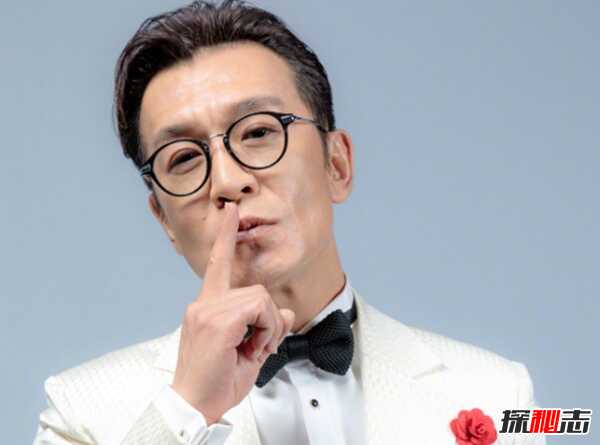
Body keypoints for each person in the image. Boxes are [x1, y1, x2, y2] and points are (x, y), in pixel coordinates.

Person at [33, 1, 544, 444]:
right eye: (184, 158)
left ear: (336, 165)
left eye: (258, 132)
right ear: (164, 219)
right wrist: (187, 409)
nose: (227, 180)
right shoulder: (80, 410)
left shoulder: (498, 392)